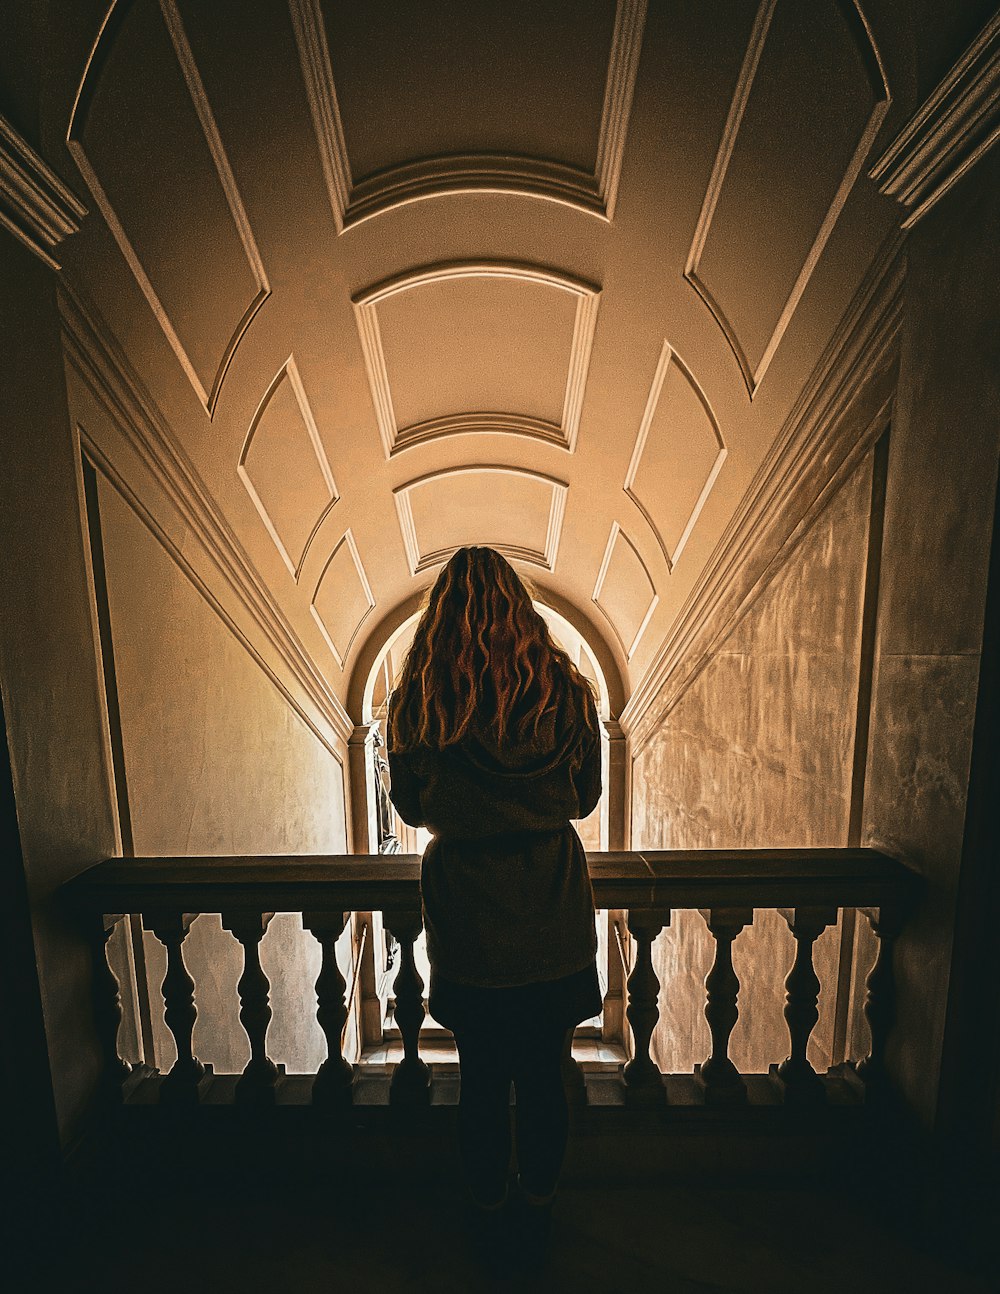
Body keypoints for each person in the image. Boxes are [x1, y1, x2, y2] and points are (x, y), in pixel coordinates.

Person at [386, 545, 602, 1263]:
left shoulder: (419, 700)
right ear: (518, 605)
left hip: (470, 920)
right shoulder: (567, 693)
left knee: (479, 1081)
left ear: (442, 615)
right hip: (552, 912)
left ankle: (485, 1216)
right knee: (546, 1075)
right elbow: (587, 796)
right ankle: (536, 1215)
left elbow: (412, 809)